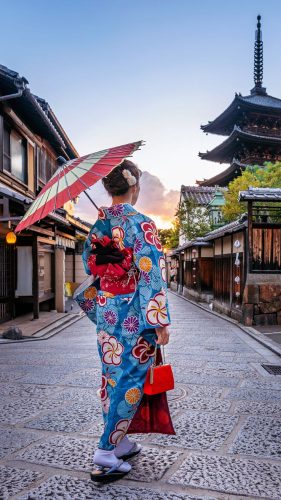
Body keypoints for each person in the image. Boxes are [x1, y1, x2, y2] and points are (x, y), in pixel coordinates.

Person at [75, 160, 174, 483]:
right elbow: (150, 273)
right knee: (131, 380)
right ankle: (105, 451)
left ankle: (122, 441)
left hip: (108, 311)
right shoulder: (142, 224)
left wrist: (112, 257)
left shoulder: (99, 223)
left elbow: (91, 263)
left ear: (109, 189)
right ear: (134, 186)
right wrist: (159, 320)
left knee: (111, 377)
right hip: (133, 313)